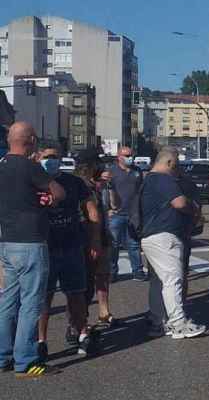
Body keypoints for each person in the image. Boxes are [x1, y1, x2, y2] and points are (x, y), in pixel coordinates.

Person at [0, 121, 64, 378]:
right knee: (31, 302)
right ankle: (25, 361)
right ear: (30, 141)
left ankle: (3, 354)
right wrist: (47, 198)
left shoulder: (1, 165)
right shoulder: (29, 166)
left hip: (7, 240)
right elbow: (58, 192)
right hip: (31, 241)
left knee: (7, 301)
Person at [139, 147, 205, 340]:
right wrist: (193, 207)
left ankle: (170, 321)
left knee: (167, 280)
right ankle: (177, 323)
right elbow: (180, 202)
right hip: (164, 237)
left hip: (156, 236)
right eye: (176, 164)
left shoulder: (149, 179)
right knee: (172, 280)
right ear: (169, 162)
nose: (178, 169)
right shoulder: (162, 179)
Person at [35, 147, 93, 357]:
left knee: (76, 293)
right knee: (44, 298)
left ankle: (82, 333)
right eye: (45, 157)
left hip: (71, 245)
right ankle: (41, 341)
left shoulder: (74, 182)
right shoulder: (32, 181)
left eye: (54, 157)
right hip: (44, 248)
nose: (50, 161)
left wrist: (94, 240)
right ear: (37, 159)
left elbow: (89, 209)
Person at [75, 150, 115, 329]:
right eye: (98, 165)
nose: (101, 168)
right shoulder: (81, 186)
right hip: (88, 239)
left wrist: (108, 186)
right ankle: (79, 322)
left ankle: (102, 312)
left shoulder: (98, 186)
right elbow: (91, 216)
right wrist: (94, 241)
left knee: (101, 276)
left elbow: (113, 206)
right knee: (86, 283)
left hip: (101, 237)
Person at [108, 146, 146, 281]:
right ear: (119, 157)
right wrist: (108, 209)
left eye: (130, 155)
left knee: (134, 244)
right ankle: (112, 272)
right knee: (113, 244)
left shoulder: (137, 171)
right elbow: (106, 191)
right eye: (126, 155)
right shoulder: (112, 172)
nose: (130, 158)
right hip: (117, 214)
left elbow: (141, 192)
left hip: (133, 213)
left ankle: (138, 271)